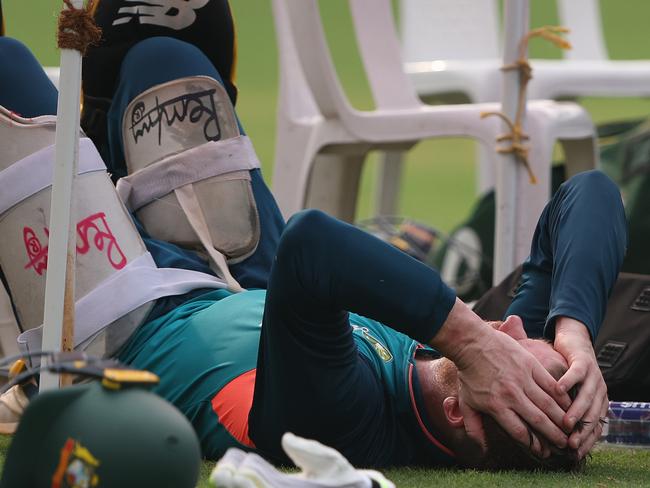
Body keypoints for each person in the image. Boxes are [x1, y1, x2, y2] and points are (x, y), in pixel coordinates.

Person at [0, 26, 626, 470]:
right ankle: (110, 156)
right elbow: (592, 194)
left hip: (131, 327)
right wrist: (574, 334)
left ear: (465, 409)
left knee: (7, 71)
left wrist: (470, 338)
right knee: (166, 56)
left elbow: (314, 243)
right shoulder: (481, 374)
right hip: (248, 284)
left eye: (520, 350)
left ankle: (95, 178)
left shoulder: (341, 425)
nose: (512, 324)